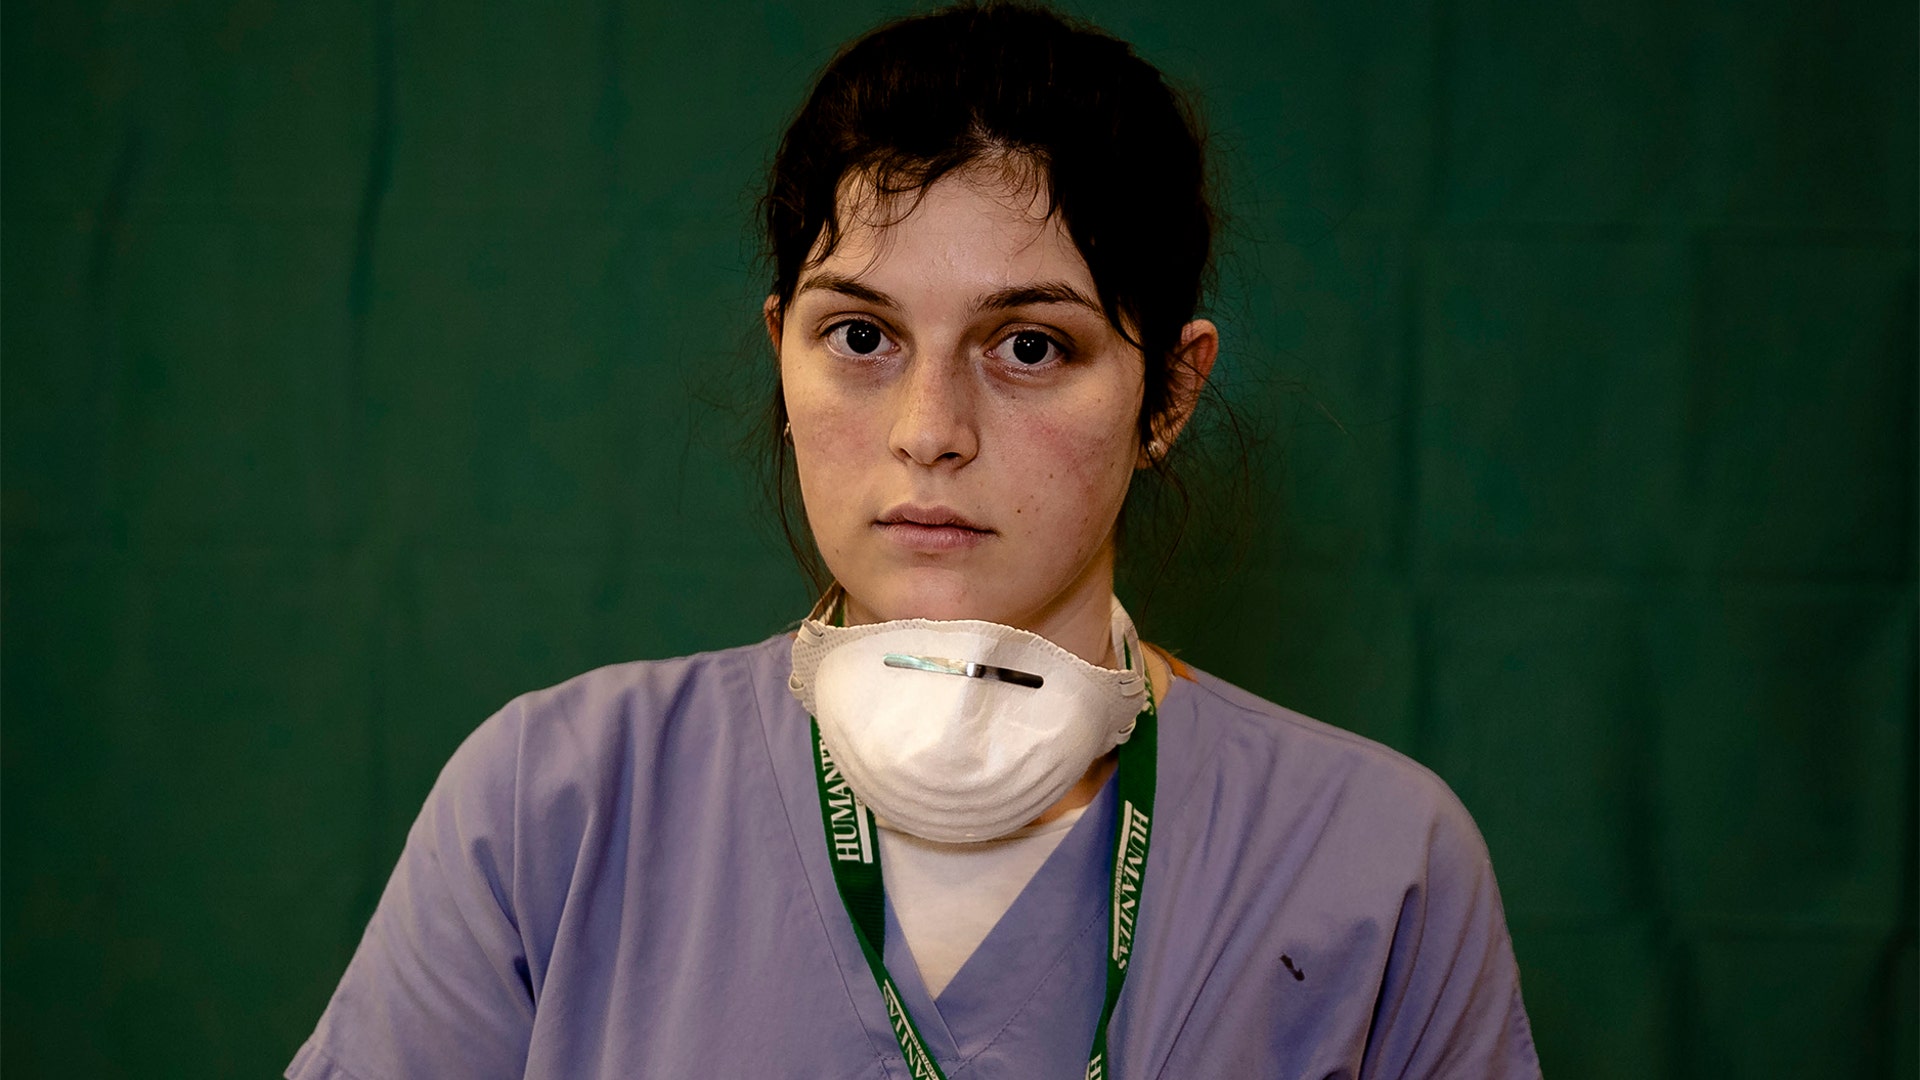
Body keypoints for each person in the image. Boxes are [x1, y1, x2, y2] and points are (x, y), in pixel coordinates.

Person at [287, 4, 1542, 1077]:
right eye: (861, 337)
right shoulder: (550, 809)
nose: (929, 431)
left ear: (1168, 394)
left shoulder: (1382, 865)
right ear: (782, 353)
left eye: (1031, 346)